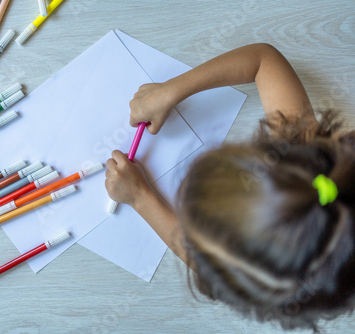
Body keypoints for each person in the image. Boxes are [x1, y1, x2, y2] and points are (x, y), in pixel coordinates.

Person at [104, 43, 355, 331]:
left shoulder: (303, 163)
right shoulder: (303, 163)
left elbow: (211, 265)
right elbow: (263, 61)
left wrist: (141, 199)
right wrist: (169, 91)